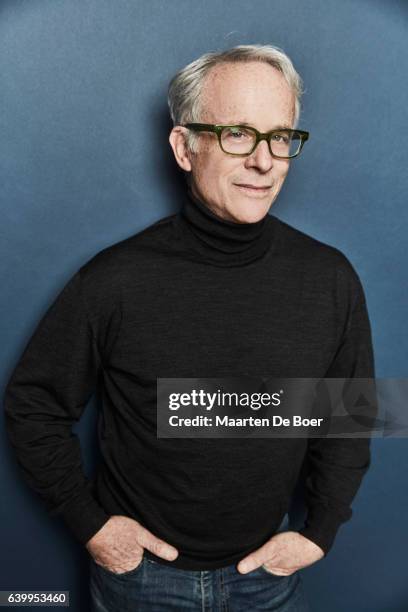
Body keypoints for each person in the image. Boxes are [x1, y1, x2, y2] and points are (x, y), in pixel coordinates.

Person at [4, 44, 375, 611]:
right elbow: (33, 404)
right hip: (140, 584)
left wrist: (320, 530)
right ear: (185, 147)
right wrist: (93, 528)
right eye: (236, 133)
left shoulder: (330, 278)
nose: (264, 161)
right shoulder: (115, 278)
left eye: (280, 136)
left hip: (268, 582)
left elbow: (350, 415)